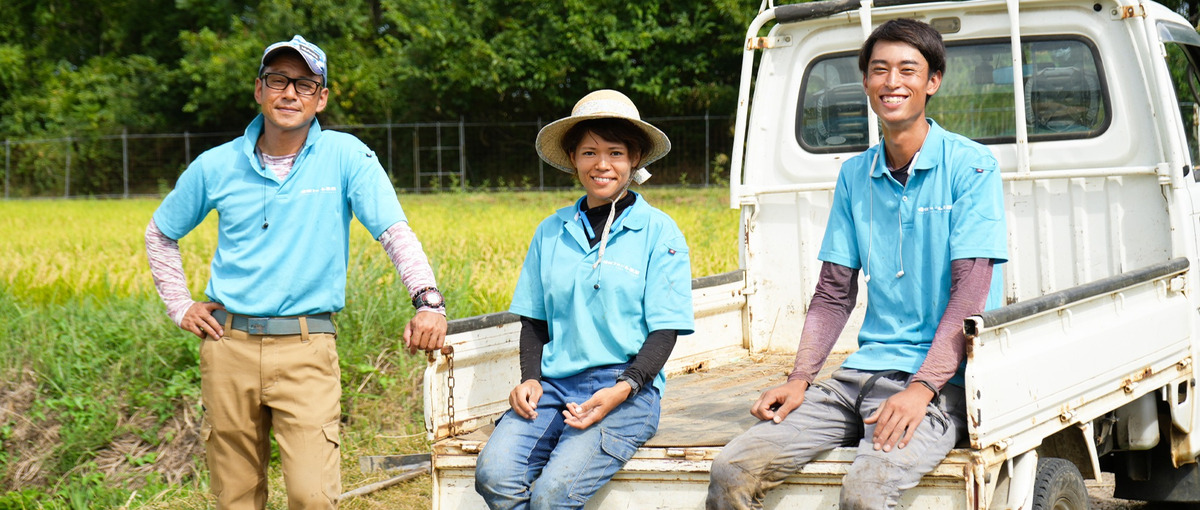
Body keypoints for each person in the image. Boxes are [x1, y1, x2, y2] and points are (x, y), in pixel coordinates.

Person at [707, 19, 1007, 510]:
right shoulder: (855, 175)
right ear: (866, 81)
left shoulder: (971, 167)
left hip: (936, 384)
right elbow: (833, 292)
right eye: (879, 69)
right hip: (856, 378)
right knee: (731, 469)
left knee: (865, 492)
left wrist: (921, 389)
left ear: (932, 82)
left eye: (908, 70)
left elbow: (970, 293)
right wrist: (800, 379)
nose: (893, 82)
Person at [143, 35, 448, 509]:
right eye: (278, 80)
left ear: (321, 98)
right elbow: (160, 232)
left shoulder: (347, 157)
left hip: (307, 349)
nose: (290, 93)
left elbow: (394, 232)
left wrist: (428, 301)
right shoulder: (215, 165)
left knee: (313, 496)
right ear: (259, 90)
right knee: (235, 496)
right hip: (228, 348)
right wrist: (180, 305)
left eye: (304, 84)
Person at [473, 89, 695, 509]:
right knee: (494, 475)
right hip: (554, 388)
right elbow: (535, 321)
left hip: (626, 390)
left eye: (616, 153)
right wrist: (530, 378)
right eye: (590, 152)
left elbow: (665, 329)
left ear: (634, 161)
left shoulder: (659, 232)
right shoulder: (552, 231)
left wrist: (625, 386)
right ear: (574, 158)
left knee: (552, 495)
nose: (602, 164)